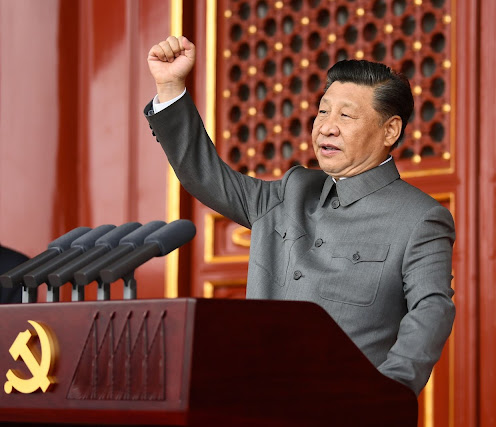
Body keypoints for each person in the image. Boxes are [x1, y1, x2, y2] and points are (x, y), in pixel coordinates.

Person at [145, 36, 455, 396]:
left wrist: (387, 392)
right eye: (323, 111)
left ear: (390, 130)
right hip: (256, 403)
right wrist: (170, 87)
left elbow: (431, 309)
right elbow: (204, 175)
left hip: (343, 410)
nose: (326, 126)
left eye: (346, 115)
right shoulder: (292, 189)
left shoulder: (420, 217)